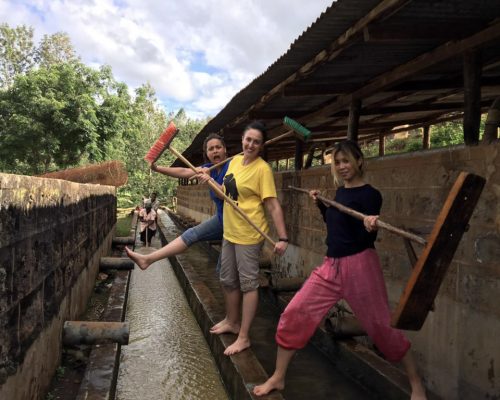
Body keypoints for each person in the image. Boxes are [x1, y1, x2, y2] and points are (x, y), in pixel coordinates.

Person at [253, 140, 427, 399]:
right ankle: (278, 378)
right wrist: (322, 206)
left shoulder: (371, 195)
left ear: (359, 161)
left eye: (347, 161)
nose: (342, 166)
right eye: (338, 162)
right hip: (330, 265)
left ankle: (416, 386)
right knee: (295, 312)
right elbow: (337, 225)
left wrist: (371, 223)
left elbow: (362, 233)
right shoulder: (340, 194)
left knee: (382, 329)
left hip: (361, 265)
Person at [210, 121, 288, 356]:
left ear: (261, 145)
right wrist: (210, 181)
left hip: (249, 235)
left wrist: (283, 237)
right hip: (230, 232)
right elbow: (226, 195)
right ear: (242, 140)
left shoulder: (262, 169)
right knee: (227, 279)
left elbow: (273, 205)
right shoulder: (234, 161)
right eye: (248, 139)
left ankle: (244, 337)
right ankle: (231, 321)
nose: (251, 144)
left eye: (256, 141)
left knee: (248, 284)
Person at [125, 133, 230, 270]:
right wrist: (157, 168)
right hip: (222, 219)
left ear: (225, 149)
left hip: (234, 222)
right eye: (211, 149)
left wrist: (210, 180)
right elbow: (183, 171)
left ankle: (148, 259)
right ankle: (148, 259)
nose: (215, 150)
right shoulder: (207, 168)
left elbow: (225, 194)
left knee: (225, 272)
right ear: (207, 154)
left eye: (218, 147)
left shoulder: (232, 166)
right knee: (191, 234)